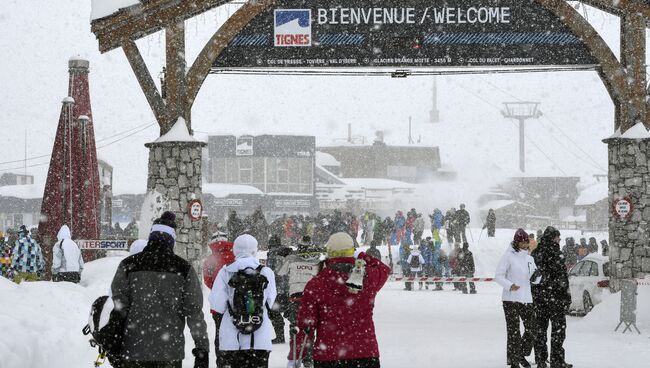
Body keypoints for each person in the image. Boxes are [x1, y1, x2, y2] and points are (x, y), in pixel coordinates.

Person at [110, 211, 209, 368]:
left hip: (133, 350)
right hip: (169, 352)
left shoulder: (128, 265)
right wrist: (202, 349)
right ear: (171, 241)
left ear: (151, 238)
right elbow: (194, 312)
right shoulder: (183, 269)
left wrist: (113, 344)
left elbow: (119, 308)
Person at [294, 232, 390, 368]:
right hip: (365, 353)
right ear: (352, 251)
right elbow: (384, 269)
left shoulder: (316, 284)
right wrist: (361, 255)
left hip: (328, 354)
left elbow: (306, 325)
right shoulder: (368, 278)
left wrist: (297, 354)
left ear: (329, 253)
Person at [209, 234, 276, 368]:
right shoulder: (266, 272)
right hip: (259, 338)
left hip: (231, 339)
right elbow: (270, 301)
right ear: (254, 250)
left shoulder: (226, 272)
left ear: (235, 250)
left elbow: (217, 304)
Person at [495, 229, 541, 368]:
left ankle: (520, 354)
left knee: (532, 329)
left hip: (526, 298)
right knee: (514, 332)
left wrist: (537, 276)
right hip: (510, 299)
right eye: (522, 242)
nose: (525, 244)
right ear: (517, 242)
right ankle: (514, 362)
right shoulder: (508, 256)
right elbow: (498, 275)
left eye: (526, 241)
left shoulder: (529, 258)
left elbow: (536, 279)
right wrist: (510, 286)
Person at [276, 236, 324, 368]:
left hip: (296, 297)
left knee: (295, 329)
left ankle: (295, 357)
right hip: (311, 297)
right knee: (310, 329)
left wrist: (283, 257)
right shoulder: (317, 260)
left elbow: (280, 272)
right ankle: (308, 359)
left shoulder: (291, 258)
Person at [531, 227, 573, 368]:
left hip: (544, 299)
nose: (559, 240)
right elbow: (561, 278)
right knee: (553, 331)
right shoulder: (550, 254)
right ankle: (551, 360)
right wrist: (564, 295)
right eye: (557, 238)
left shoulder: (539, 253)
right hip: (551, 299)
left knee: (546, 332)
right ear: (552, 238)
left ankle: (548, 360)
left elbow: (563, 278)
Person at [202, 231, 235, 363]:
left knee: (219, 333)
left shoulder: (210, 260)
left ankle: (221, 361)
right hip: (236, 302)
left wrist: (217, 289)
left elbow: (207, 280)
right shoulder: (236, 256)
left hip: (218, 304)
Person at [266, 234, 293, 344]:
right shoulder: (287, 254)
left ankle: (280, 336)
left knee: (274, 312)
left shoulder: (272, 254)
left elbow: (271, 272)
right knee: (290, 312)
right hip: (289, 288)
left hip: (277, 288)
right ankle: (296, 333)